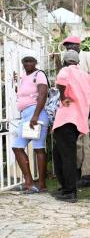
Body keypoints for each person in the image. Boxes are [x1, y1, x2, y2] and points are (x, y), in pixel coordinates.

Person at [52, 50, 90, 202]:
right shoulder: (86, 76)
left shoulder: (65, 71)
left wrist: (63, 96)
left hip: (65, 120)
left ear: (66, 62)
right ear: (78, 62)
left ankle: (70, 192)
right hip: (78, 121)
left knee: (65, 156)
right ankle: (65, 188)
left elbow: (61, 82)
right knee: (61, 154)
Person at [59, 36, 90, 188]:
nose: (70, 47)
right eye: (67, 45)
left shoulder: (86, 56)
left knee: (82, 141)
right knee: (78, 142)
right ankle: (78, 174)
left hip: (86, 106)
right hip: (74, 108)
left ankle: (86, 174)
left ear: (79, 45)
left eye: (72, 44)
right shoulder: (68, 59)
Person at [11, 53, 49, 194]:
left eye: (30, 61)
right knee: (17, 146)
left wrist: (36, 115)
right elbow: (22, 95)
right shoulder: (24, 77)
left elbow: (43, 94)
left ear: (35, 62)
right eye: (25, 61)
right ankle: (29, 182)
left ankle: (41, 184)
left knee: (38, 148)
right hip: (26, 115)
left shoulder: (39, 74)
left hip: (36, 114)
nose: (27, 63)